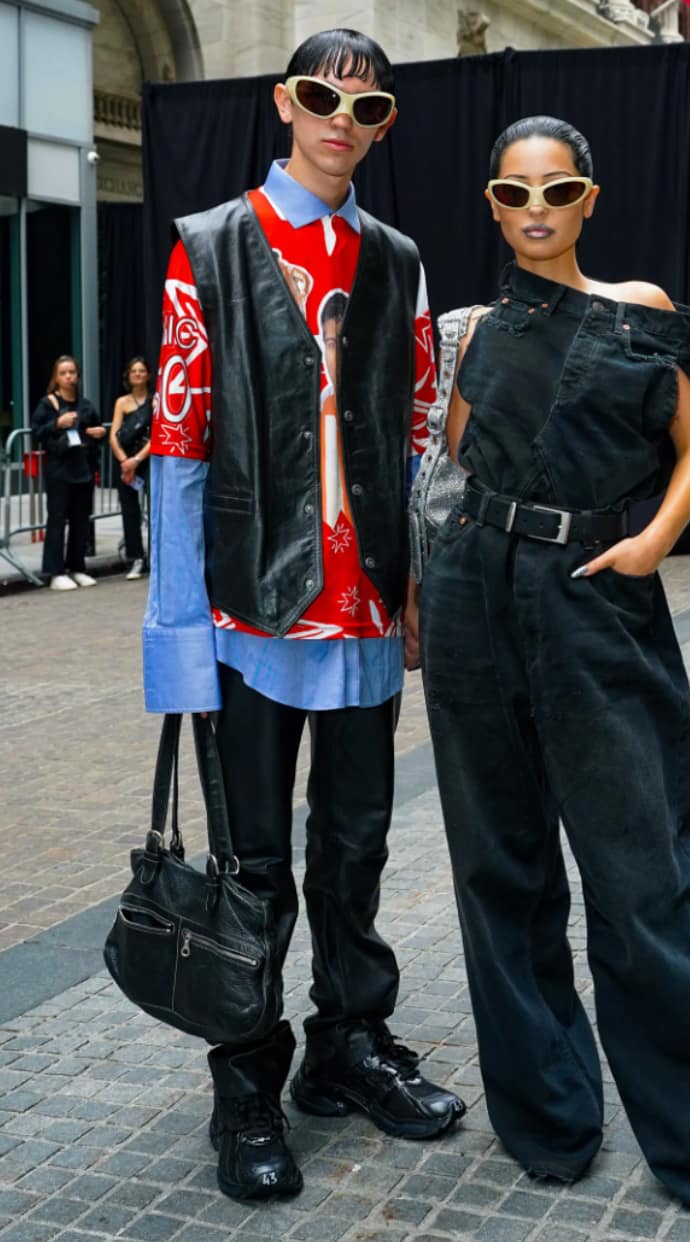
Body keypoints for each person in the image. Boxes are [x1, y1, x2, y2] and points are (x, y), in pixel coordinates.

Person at [417, 116, 690, 1222]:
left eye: (558, 187)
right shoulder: (475, 327)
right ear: (491, 203)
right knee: (501, 866)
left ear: (589, 198)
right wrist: (424, 598)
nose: (537, 207)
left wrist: (653, 542)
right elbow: (448, 463)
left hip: (593, 589)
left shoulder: (641, 311)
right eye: (515, 191)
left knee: (644, 873)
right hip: (475, 589)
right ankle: (548, 1118)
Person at [144, 28, 464, 1205]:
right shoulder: (210, 247)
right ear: (287, 102)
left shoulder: (396, 256)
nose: (343, 119)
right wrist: (175, 637)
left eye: (368, 107)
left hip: (369, 605)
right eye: (324, 97)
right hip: (248, 610)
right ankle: (246, 1082)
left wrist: (421, 584)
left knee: (358, 844)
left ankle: (350, 1043)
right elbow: (176, 446)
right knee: (253, 864)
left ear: (384, 124)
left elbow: (423, 433)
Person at [31, 355, 106, 590]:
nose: (68, 377)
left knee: (80, 521)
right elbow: (37, 431)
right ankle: (55, 572)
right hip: (59, 470)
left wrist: (99, 434)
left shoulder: (85, 405)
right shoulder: (48, 404)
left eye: (72, 372)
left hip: (82, 469)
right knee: (57, 519)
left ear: (78, 375)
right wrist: (57, 423)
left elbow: (95, 428)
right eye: (63, 373)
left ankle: (77, 567)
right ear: (56, 377)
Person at [109, 357, 152, 580]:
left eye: (141, 370)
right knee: (130, 510)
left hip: (149, 459)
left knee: (155, 509)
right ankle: (135, 557)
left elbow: (158, 436)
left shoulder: (156, 402)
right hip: (126, 461)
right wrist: (125, 461)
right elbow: (114, 435)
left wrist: (137, 460)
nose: (137, 374)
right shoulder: (121, 402)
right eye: (133, 370)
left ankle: (157, 556)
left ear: (148, 375)